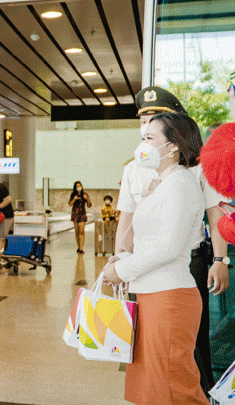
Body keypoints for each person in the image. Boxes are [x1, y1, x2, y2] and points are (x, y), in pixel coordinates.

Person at [114, 86, 229, 395]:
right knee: (153, 358)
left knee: (186, 356)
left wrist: (221, 259)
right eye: (143, 121)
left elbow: (215, 213)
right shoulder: (133, 169)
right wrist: (119, 263)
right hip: (144, 272)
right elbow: (127, 219)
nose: (145, 127)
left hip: (186, 265)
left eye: (155, 119)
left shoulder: (195, 169)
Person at [103, 112, 208, 404]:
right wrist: (122, 258)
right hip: (154, 296)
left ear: (173, 146)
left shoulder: (180, 184)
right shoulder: (165, 183)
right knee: (155, 389)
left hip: (169, 299)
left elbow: (168, 247)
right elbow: (151, 239)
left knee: (174, 389)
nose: (142, 146)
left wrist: (122, 270)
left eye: (149, 138)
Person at [68, 181, 91, 254]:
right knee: (77, 231)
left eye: (80, 186)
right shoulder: (73, 195)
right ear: (75, 188)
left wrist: (87, 199)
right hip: (75, 214)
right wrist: (74, 199)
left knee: (82, 231)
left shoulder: (85, 194)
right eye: (77, 186)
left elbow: (89, 205)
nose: (79, 187)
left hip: (82, 214)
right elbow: (70, 204)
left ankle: (81, 248)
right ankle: (78, 247)